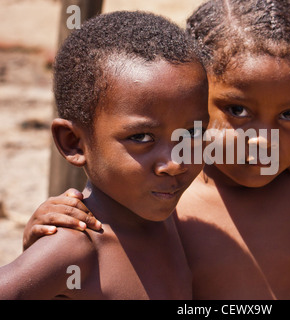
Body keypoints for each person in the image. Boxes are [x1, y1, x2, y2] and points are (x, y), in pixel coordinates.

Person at [22, 0, 290, 300]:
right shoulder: (160, 192)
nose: (264, 140)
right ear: (190, 97)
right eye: (237, 110)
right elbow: (90, 257)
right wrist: (48, 229)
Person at [0, 11, 210, 299]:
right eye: (141, 137)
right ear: (73, 143)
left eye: (190, 134)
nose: (175, 163)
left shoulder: (174, 224)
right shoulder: (75, 247)